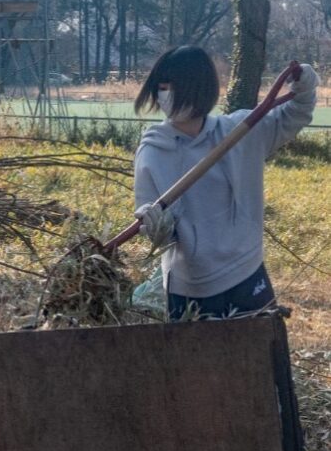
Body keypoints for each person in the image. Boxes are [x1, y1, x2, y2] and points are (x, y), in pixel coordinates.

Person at [133, 46, 318, 321]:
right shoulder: (152, 152)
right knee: (195, 364)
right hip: (189, 287)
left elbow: (295, 113)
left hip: (247, 272)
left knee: (258, 359)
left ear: (198, 90)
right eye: (160, 87)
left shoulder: (241, 131)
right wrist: (156, 227)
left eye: (172, 87)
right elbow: (152, 223)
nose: (164, 95)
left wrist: (306, 85)